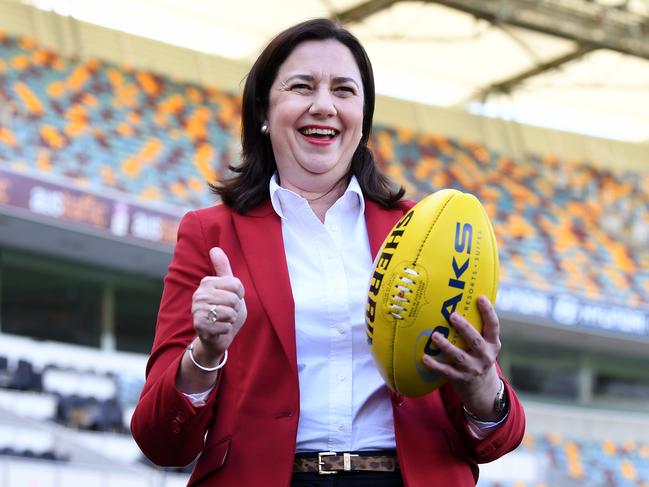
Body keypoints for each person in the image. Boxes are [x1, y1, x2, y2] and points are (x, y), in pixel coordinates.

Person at [131, 18, 525, 487]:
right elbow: (160, 439)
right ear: (264, 108)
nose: (324, 106)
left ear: (363, 116)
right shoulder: (208, 233)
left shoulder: (423, 230)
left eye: (344, 90)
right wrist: (206, 352)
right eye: (301, 87)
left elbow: (498, 435)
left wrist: (482, 385)